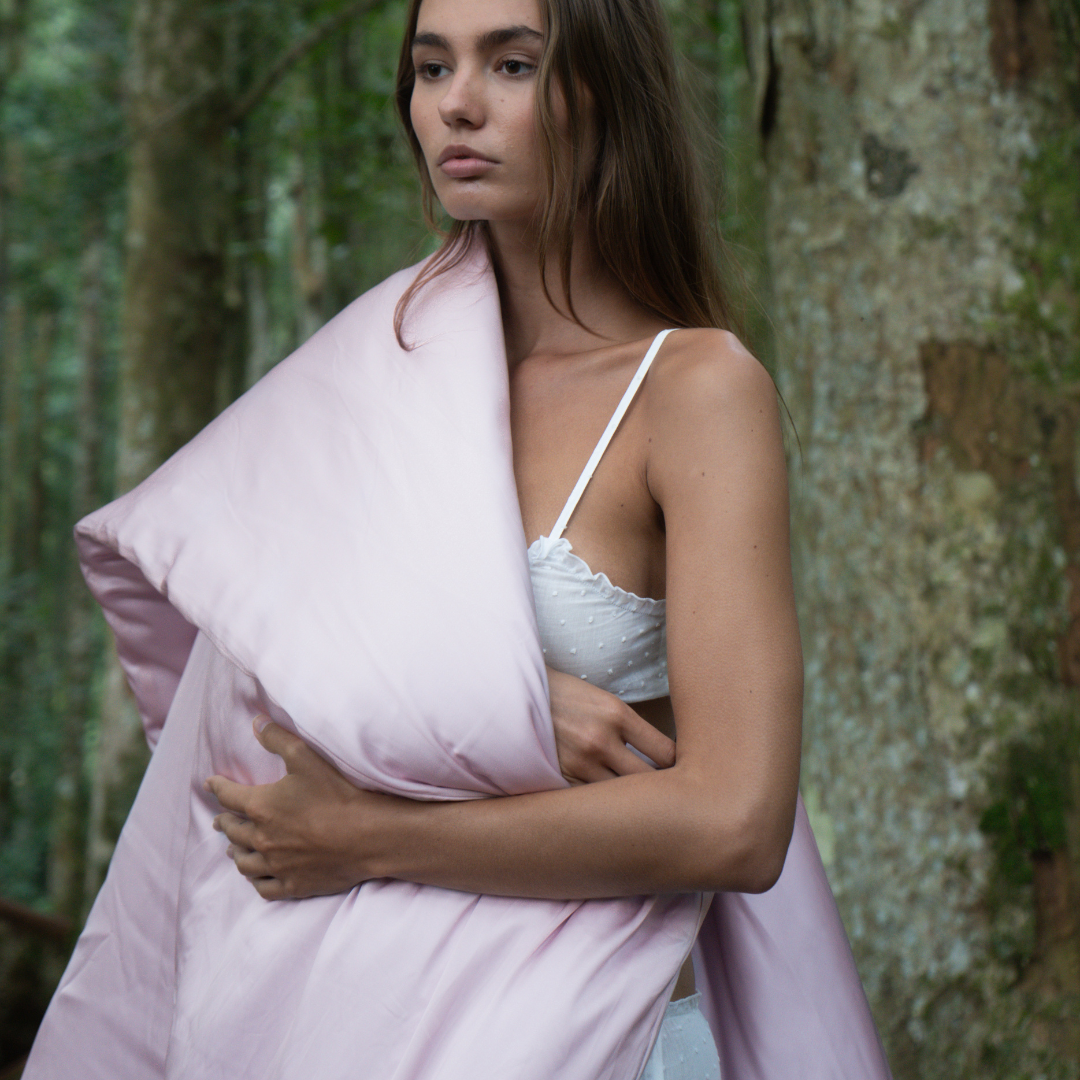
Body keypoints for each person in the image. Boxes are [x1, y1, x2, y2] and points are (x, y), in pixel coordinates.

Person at [24, 0, 891, 1076]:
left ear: (604, 94)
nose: (457, 106)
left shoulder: (696, 389)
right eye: (432, 69)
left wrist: (376, 831)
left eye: (513, 66)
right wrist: (500, 698)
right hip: (334, 1016)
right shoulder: (378, 366)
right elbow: (259, 669)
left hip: (581, 1026)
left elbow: (734, 823)